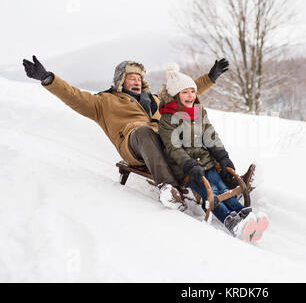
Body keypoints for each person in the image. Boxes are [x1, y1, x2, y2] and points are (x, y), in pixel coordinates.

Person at [22, 55, 229, 208]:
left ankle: (223, 176)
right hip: (134, 143)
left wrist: (210, 77)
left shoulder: (155, 99)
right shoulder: (103, 101)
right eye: (131, 78)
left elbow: (183, 94)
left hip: (163, 140)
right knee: (144, 132)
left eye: (139, 78)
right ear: (121, 80)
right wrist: (48, 78)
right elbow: (74, 96)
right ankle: (169, 188)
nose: (137, 81)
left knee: (189, 128)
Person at [158, 63, 269, 242]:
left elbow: (211, 136)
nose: (190, 96)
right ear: (176, 95)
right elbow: (173, 148)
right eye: (185, 92)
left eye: (192, 91)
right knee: (212, 194)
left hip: (207, 163)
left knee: (222, 188)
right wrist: (189, 165)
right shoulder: (167, 119)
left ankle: (244, 215)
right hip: (187, 170)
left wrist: (222, 156)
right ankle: (230, 221)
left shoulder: (199, 112)